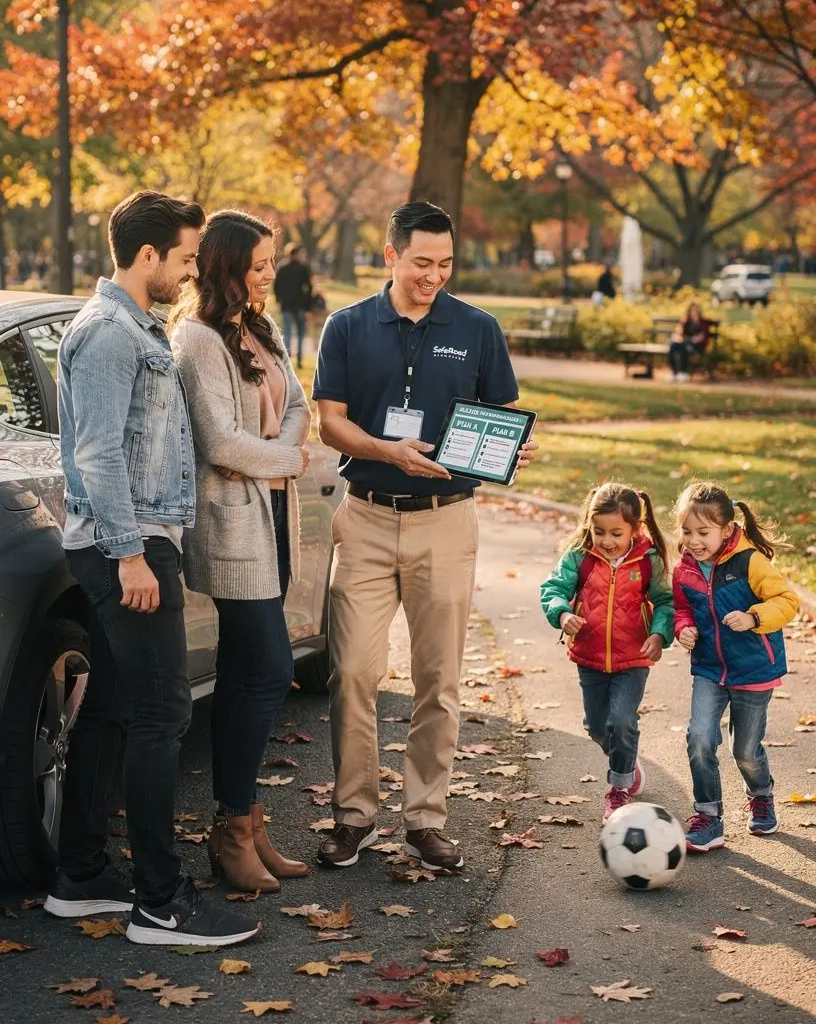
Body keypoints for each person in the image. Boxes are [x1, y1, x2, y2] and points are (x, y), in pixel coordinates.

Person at [46, 190, 260, 949]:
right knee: (161, 714)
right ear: (147, 258)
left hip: (132, 538)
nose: (192, 270)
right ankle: (160, 904)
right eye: (184, 257)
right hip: (128, 546)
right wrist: (132, 552)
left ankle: (81, 875)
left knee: (109, 709)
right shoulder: (108, 333)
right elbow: (98, 453)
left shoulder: (134, 327)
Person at [312, 201, 537, 874]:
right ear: (391, 256)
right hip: (368, 517)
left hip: (447, 521)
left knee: (437, 679)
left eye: (444, 264)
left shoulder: (478, 328)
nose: (432, 277)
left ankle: (425, 820)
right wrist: (388, 452)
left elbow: (496, 415)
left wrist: (510, 449)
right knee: (352, 670)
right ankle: (354, 816)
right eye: (420, 263)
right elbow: (330, 423)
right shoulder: (347, 327)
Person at [171, 211, 311, 893]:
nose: (268, 275)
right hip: (229, 525)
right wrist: (283, 459)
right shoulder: (197, 339)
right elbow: (219, 444)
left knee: (247, 672)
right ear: (226, 265)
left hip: (270, 515)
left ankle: (248, 823)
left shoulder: (257, 327)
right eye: (258, 265)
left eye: (271, 263)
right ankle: (229, 829)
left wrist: (271, 460)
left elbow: (300, 405)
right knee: (266, 668)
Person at [673, 481, 799, 852]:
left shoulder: (750, 561)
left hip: (754, 671)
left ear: (726, 529)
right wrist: (684, 628)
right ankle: (708, 817)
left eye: (703, 532)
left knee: (744, 749)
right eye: (686, 531)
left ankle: (761, 795)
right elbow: (681, 608)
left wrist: (754, 616)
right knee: (699, 738)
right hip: (710, 669)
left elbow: (787, 600)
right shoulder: (685, 568)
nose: (693, 541)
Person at [540, 483, 674, 823]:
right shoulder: (579, 555)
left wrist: (660, 633)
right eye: (599, 531)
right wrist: (562, 613)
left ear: (635, 529)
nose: (607, 540)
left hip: (634, 658)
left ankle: (619, 788)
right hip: (590, 655)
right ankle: (626, 761)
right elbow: (554, 588)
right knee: (597, 727)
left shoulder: (648, 559)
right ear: (589, 524)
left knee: (622, 721)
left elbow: (665, 601)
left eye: (616, 532)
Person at [273, 241, 312, 369]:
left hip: (286, 304)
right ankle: (299, 359)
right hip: (300, 305)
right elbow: (308, 287)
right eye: (301, 254)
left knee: (288, 332)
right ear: (296, 254)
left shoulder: (282, 267)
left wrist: (279, 299)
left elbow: (276, 285)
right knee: (301, 333)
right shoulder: (303, 268)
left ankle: (287, 359)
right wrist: (308, 305)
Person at [669, 301, 710, 381]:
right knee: (673, 345)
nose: (693, 312)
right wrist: (679, 337)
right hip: (685, 343)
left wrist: (694, 339)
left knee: (683, 347)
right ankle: (674, 372)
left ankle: (684, 372)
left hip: (696, 347)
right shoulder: (686, 322)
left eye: (695, 310)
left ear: (699, 311)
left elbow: (702, 336)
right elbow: (680, 334)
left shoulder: (703, 322)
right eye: (691, 310)